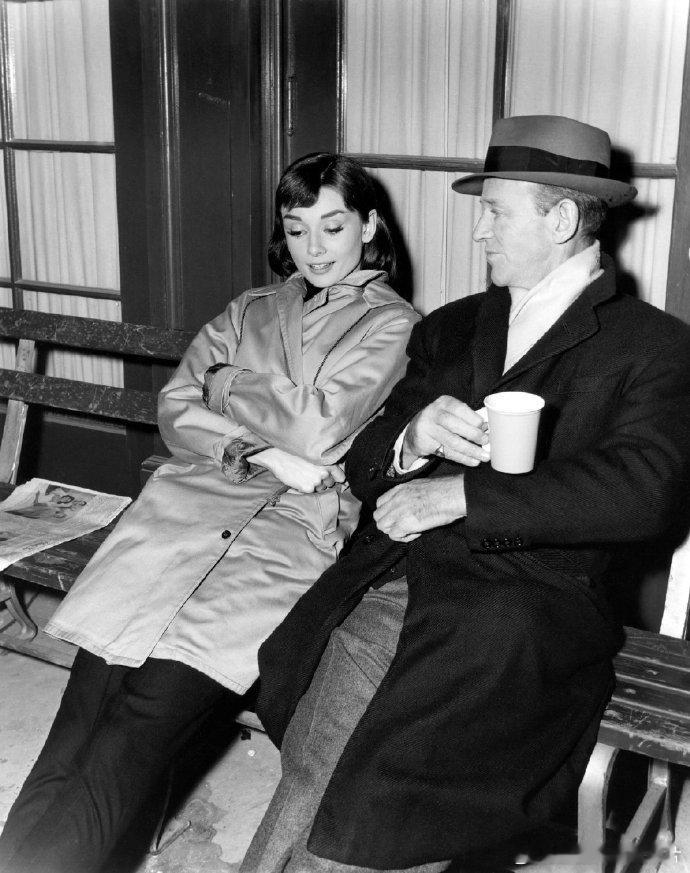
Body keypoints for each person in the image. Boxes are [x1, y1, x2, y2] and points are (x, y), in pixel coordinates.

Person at [242, 116, 690, 873]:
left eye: (495, 212)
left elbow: (643, 491)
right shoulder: (451, 328)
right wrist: (413, 439)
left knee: (381, 802)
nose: (479, 231)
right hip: (395, 584)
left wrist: (462, 497)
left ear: (561, 218)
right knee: (318, 769)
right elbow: (365, 464)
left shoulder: (653, 347)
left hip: (522, 613)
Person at [0, 152, 419, 873]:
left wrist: (224, 382)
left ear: (370, 225)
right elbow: (175, 408)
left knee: (130, 737)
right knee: (74, 731)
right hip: (179, 517)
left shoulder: (395, 326)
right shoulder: (249, 309)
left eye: (333, 226)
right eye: (297, 229)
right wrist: (263, 452)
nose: (315, 249)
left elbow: (320, 427)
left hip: (281, 542)